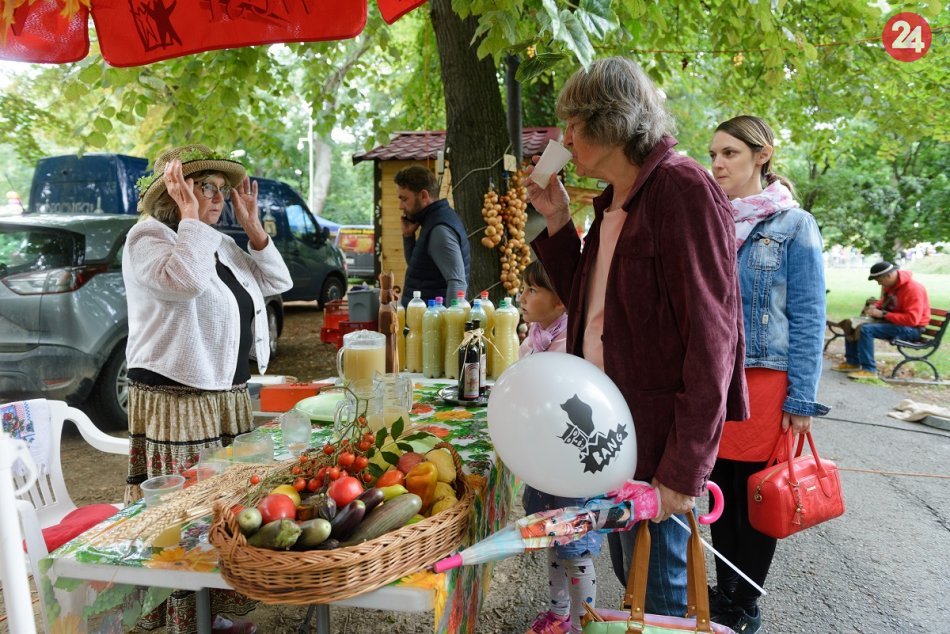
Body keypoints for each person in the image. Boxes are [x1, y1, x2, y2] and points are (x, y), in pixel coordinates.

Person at [526, 57, 748, 618]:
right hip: (612, 429)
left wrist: (681, 473)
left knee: (659, 596)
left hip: (657, 442)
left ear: (610, 122)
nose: (564, 139)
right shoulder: (613, 202)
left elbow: (713, 339)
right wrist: (556, 222)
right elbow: (593, 307)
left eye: (572, 123)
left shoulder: (681, 187)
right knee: (633, 578)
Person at [124, 144, 293, 634]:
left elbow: (277, 282)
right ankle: (188, 621)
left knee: (227, 513)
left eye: (221, 189)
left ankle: (215, 614)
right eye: (205, 187)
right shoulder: (147, 239)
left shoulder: (217, 242)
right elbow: (187, 282)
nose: (217, 197)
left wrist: (252, 224)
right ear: (174, 193)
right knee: (187, 518)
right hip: (178, 401)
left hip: (223, 399)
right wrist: (193, 220)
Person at [707, 116, 831, 632]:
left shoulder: (794, 224)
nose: (717, 163)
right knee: (718, 492)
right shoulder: (711, 219)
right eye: (713, 153)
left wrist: (801, 400)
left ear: (762, 155)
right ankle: (726, 589)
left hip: (765, 381)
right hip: (717, 380)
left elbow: (809, 316)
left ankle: (744, 605)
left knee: (755, 495)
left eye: (730, 153)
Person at [517, 260, 597, 634]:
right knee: (552, 540)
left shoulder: (567, 345)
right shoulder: (537, 335)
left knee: (574, 548)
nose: (522, 295)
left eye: (533, 290)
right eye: (523, 288)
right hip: (544, 464)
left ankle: (585, 623)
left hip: (568, 467)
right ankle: (559, 612)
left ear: (562, 301)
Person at [833, 261, 931, 378]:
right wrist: (875, 307)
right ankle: (852, 362)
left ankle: (869, 370)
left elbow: (912, 320)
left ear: (888, 276)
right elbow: (884, 303)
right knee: (849, 323)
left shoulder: (913, 289)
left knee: (866, 329)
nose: (879, 284)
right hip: (894, 324)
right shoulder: (890, 286)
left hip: (912, 329)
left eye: (879, 280)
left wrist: (883, 314)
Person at [395, 165, 470, 307]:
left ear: (424, 196)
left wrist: (451, 324)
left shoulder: (439, 229)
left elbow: (457, 282)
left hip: (434, 325)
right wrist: (408, 236)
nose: (400, 206)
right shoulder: (432, 220)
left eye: (404, 199)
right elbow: (419, 271)